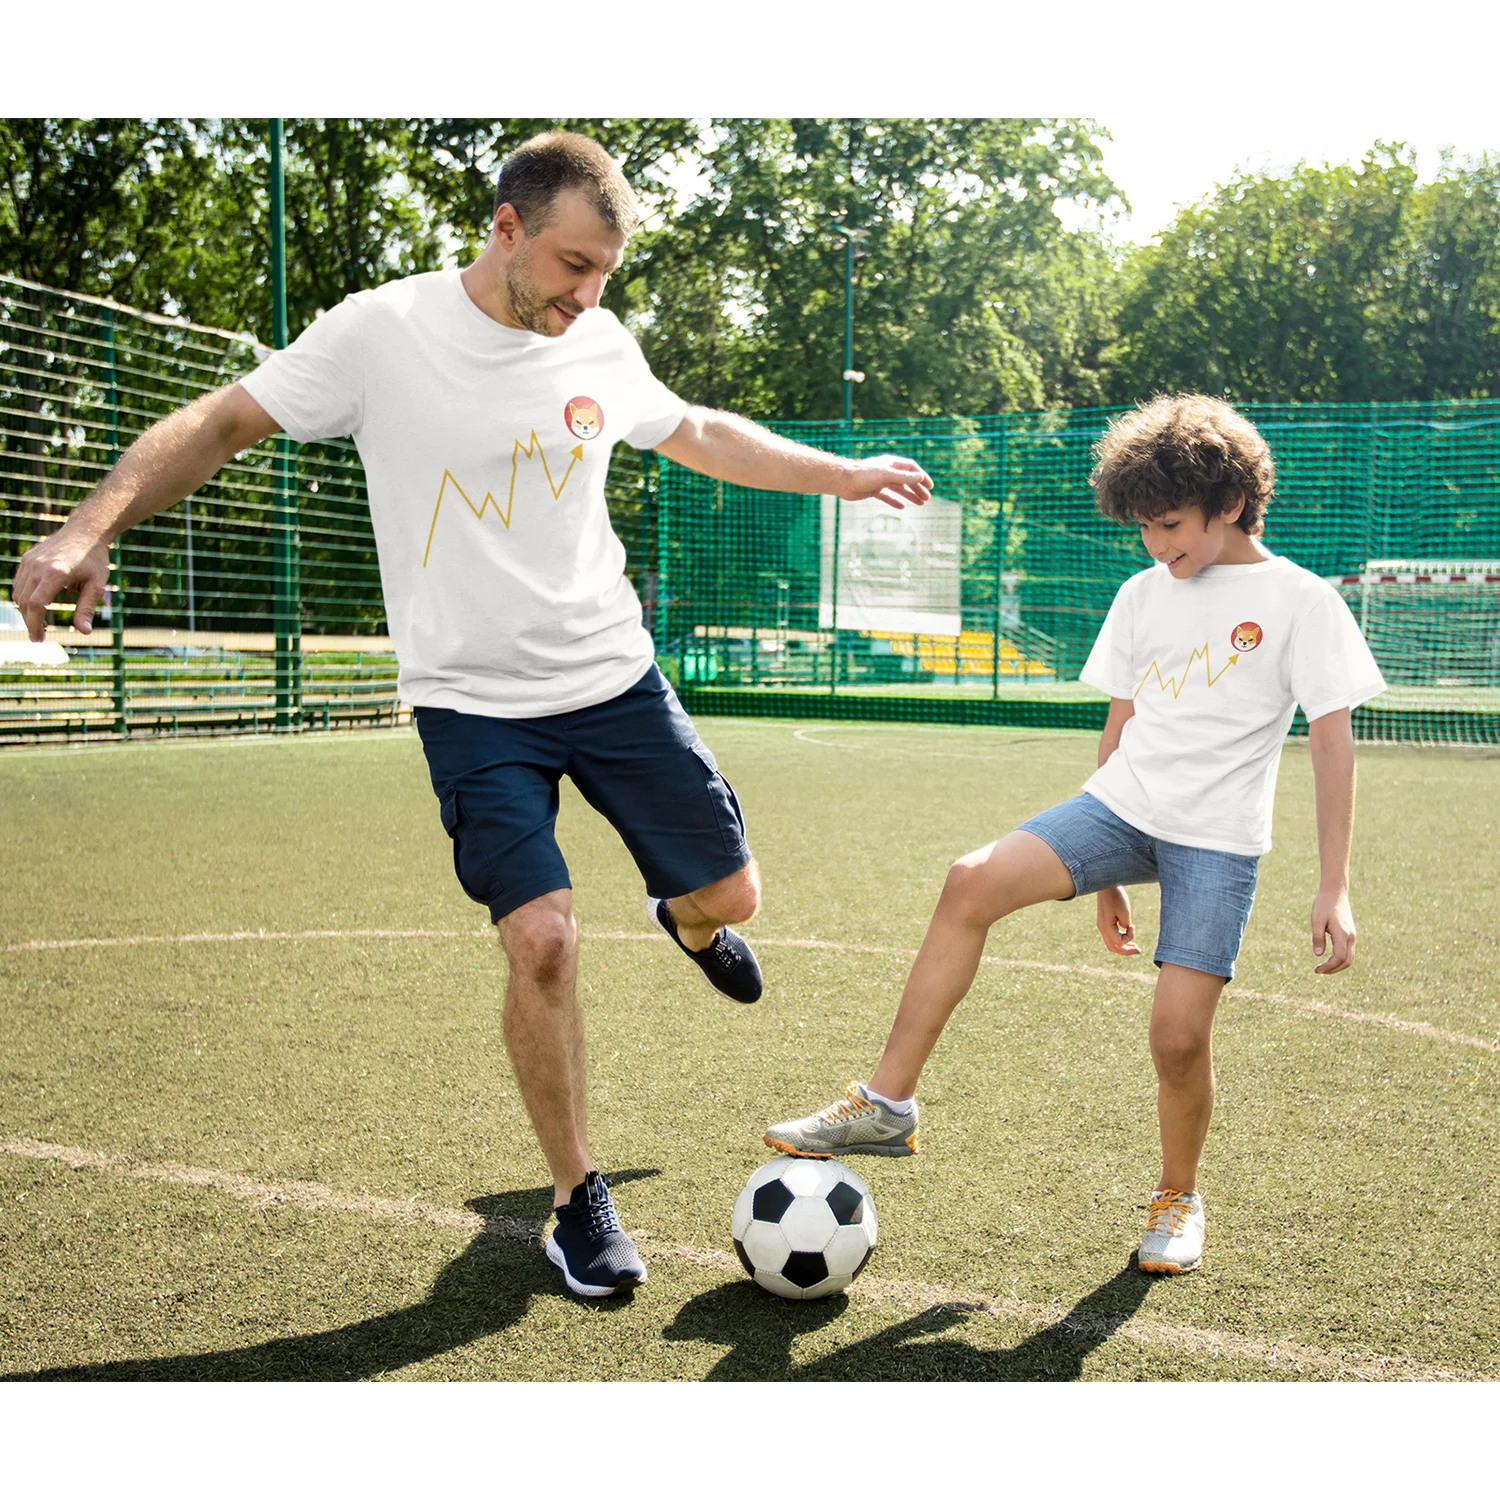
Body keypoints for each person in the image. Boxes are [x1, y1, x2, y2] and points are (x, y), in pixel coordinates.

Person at [9, 131, 932, 1299]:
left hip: (612, 678)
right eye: (572, 265)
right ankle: (577, 1200)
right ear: (505, 229)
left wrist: (841, 475)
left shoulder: (598, 339)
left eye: (605, 273)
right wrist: (86, 528)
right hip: (473, 707)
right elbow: (223, 421)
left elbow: (693, 429)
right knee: (543, 939)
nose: (587, 295)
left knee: (733, 895)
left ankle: (690, 923)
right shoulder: (380, 333)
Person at [764, 393, 1385, 1275]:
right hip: (1119, 810)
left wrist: (1334, 884)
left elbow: (1331, 743)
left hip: (1217, 839)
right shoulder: (1142, 594)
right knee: (970, 879)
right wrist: (1106, 874)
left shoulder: (1302, 601)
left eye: (1170, 524)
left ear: (1232, 502)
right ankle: (887, 1103)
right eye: (1144, 527)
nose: (1156, 545)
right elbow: (1120, 725)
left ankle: (1178, 1197)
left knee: (1177, 1037)